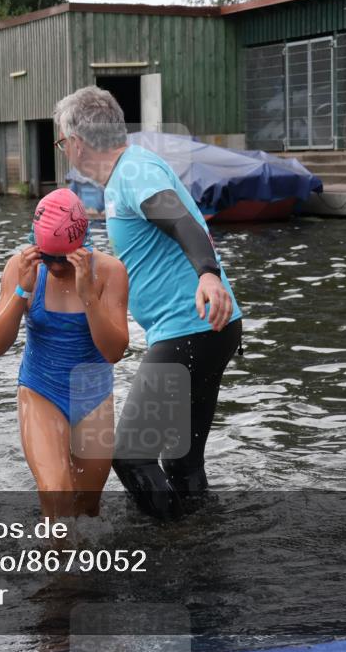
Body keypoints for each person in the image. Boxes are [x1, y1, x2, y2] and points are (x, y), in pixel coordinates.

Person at [53, 86, 243, 520]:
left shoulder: (133, 171)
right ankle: (201, 543)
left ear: (77, 143)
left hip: (189, 330)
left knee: (130, 455)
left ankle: (169, 547)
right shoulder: (126, 175)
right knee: (180, 461)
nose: (65, 151)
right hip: (208, 329)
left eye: (62, 143)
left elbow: (180, 219)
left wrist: (209, 275)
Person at [0, 188, 129, 520]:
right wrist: (21, 291)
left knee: (87, 507)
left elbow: (114, 352)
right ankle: (60, 572)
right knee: (57, 494)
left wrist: (88, 297)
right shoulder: (22, 267)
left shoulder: (110, 272)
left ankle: (85, 568)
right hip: (40, 390)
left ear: (81, 245)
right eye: (46, 257)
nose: (54, 266)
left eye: (63, 259)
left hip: (92, 395)